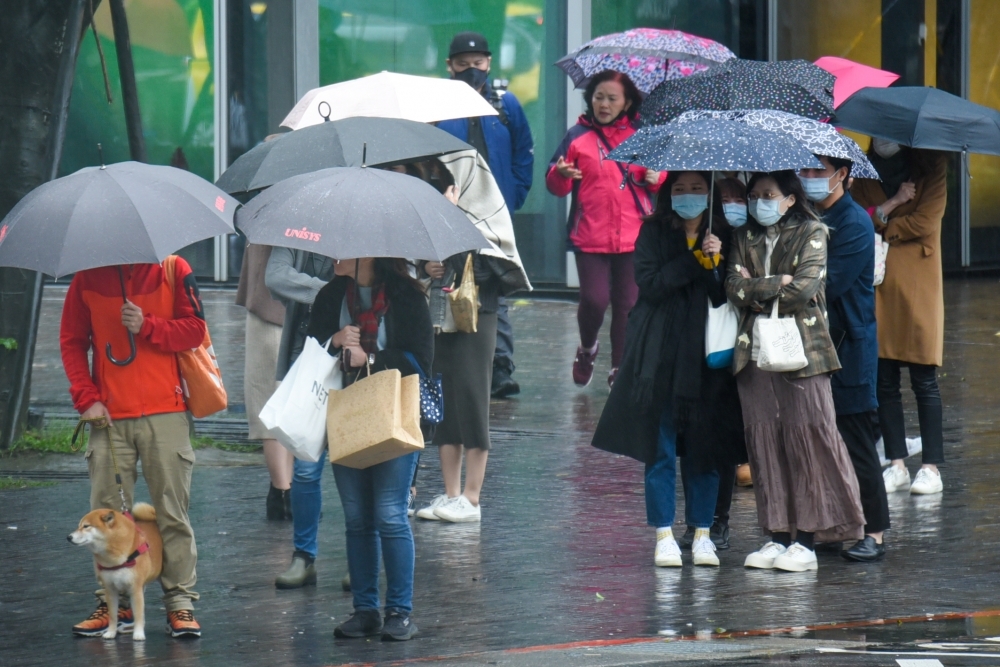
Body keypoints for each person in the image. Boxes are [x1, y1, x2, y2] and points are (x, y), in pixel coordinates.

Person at [592, 171, 745, 568]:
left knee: (704, 449)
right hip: (658, 355)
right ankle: (663, 533)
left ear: (709, 194)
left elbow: (724, 295)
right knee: (659, 447)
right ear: (668, 194)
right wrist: (695, 259)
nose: (689, 196)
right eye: (680, 189)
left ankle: (703, 532)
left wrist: (716, 265)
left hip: (706, 359)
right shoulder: (654, 231)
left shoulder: (725, 234)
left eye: (697, 188)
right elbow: (652, 282)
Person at [725, 171, 865, 573]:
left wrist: (759, 288)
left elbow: (803, 290)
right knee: (764, 438)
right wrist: (774, 283)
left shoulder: (813, 232)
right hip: (753, 351)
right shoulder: (742, 237)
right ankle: (776, 534)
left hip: (803, 350)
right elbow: (733, 285)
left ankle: (808, 537)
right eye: (754, 195)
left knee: (807, 434)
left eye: (769, 194)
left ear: (789, 199)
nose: (759, 202)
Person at [61, 258, 205, 638]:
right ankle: (115, 605)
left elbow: (194, 331)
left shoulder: (173, 269)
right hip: (108, 418)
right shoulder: (86, 276)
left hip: (167, 412)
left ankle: (180, 603)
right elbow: (72, 342)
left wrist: (147, 325)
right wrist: (85, 398)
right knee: (105, 521)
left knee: (172, 514)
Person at [306, 257, 433, 641]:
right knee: (357, 517)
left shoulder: (407, 297)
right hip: (345, 415)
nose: (336, 255)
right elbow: (310, 351)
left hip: (394, 414)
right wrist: (334, 342)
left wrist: (371, 358)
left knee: (389, 514)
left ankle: (399, 611)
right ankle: (365, 610)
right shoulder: (330, 296)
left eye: (345, 249)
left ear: (369, 253)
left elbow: (421, 363)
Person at [410, 156, 529, 523]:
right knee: (443, 399)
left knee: (473, 396)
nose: (442, 182)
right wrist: (426, 265)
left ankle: (472, 497)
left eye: (447, 176)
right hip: (438, 313)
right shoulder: (432, 205)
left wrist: (451, 223)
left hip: (478, 313)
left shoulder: (483, 209)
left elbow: (497, 262)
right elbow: (420, 257)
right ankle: (450, 493)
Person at [547, 70, 664, 388]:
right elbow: (555, 185)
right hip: (590, 235)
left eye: (612, 98)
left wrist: (659, 177)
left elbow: (661, 175)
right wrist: (560, 174)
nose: (604, 103)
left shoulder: (643, 136)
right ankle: (587, 348)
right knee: (595, 300)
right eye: (599, 96)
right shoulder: (576, 136)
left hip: (634, 236)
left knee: (627, 306)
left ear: (627, 102)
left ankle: (619, 371)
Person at [799, 155, 890, 562]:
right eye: (807, 170)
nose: (812, 178)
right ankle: (836, 524)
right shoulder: (808, 217)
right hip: (816, 344)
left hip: (849, 345)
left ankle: (875, 531)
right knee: (822, 440)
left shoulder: (853, 222)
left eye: (820, 171)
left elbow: (827, 284)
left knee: (856, 439)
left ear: (844, 175)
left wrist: (790, 281)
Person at [437, 31, 534, 400]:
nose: (471, 70)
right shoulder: (436, 108)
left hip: (496, 215)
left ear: (489, 63)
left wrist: (514, 196)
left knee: (496, 288)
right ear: (450, 66)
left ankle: (500, 367)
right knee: (446, 285)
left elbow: (524, 152)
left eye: (477, 64)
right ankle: (450, 363)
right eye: (462, 64)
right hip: (450, 212)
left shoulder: (506, 105)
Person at [852, 143, 948, 495]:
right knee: (884, 377)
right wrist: (889, 206)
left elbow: (926, 221)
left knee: (924, 376)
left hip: (919, 281)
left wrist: (883, 223)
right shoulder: (862, 168)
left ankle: (931, 467)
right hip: (878, 278)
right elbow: (859, 217)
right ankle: (896, 463)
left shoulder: (931, 164)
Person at [677, 176, 749, 551]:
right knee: (694, 440)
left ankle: (719, 519)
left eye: (740, 196)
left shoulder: (746, 238)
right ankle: (697, 519)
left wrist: (721, 263)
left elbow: (731, 294)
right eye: (725, 197)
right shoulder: (701, 234)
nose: (733, 203)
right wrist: (706, 259)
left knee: (722, 440)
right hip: (696, 349)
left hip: (734, 352)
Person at [265, 249, 341, 589]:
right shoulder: (299, 227)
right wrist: (330, 290)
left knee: (358, 468)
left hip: (363, 366)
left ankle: (361, 558)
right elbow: (276, 276)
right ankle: (303, 556)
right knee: (307, 467)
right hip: (313, 360)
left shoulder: (369, 223)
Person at [235, 243, 292, 520]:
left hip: (288, 304)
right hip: (273, 305)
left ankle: (284, 490)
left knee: (287, 404)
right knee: (272, 399)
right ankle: (283, 491)